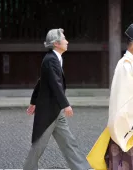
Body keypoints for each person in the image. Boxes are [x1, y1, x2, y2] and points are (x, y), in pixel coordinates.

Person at [87, 23, 133, 170]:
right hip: (127, 121)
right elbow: (126, 96)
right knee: (129, 157)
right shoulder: (124, 65)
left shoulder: (132, 63)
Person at [23, 28, 90, 170]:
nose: (67, 41)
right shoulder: (51, 60)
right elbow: (55, 84)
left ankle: (82, 168)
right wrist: (66, 104)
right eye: (64, 39)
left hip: (56, 110)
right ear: (56, 43)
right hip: (49, 111)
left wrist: (33, 101)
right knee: (39, 144)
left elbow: (42, 82)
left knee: (68, 142)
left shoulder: (55, 58)